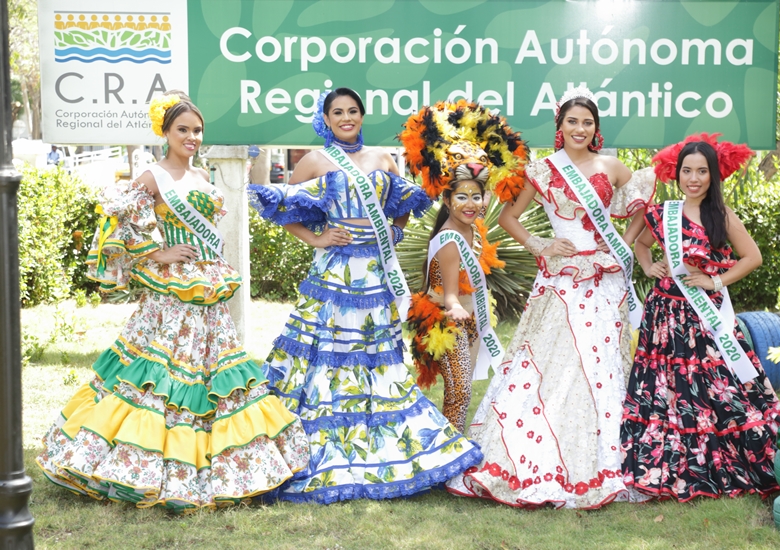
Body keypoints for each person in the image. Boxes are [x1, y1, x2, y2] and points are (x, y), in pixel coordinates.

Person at [35, 91, 310, 512]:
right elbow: (117, 226)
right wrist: (157, 254)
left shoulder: (202, 177)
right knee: (155, 381)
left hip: (206, 291)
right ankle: (139, 467)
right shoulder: (151, 175)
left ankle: (212, 468)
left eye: (197, 130)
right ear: (165, 132)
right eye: (183, 129)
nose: (192, 137)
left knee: (210, 379)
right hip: (170, 296)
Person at [247, 87, 484, 504]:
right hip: (335, 275)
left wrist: (392, 232)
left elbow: (403, 204)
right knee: (327, 356)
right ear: (326, 117)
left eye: (353, 111)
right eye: (337, 112)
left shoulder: (382, 158)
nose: (346, 118)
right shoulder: (314, 161)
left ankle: (380, 443)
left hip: (376, 275)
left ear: (361, 114)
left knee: (376, 356)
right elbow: (283, 208)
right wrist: (317, 238)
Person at [447, 87, 656, 508]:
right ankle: (533, 454)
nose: (580, 128)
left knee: (600, 364)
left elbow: (641, 209)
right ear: (559, 126)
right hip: (561, 278)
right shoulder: (542, 170)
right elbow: (509, 218)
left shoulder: (611, 166)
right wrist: (541, 245)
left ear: (596, 128)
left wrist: (622, 244)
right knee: (548, 359)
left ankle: (602, 459)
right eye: (572, 121)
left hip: (605, 278)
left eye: (588, 122)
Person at [620, 134, 780, 501]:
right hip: (663, 316)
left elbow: (752, 257)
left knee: (716, 385)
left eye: (702, 171)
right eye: (687, 171)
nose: (693, 178)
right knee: (663, 388)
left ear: (713, 176)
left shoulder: (721, 215)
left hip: (705, 319)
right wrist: (649, 266)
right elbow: (641, 244)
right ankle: (666, 464)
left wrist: (715, 280)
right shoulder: (663, 212)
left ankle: (721, 458)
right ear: (676, 174)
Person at [401, 100, 526, 433]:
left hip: (468, 317)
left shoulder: (472, 231)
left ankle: (450, 446)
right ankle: (447, 450)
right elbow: (451, 294)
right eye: (462, 197)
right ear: (446, 200)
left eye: (477, 196)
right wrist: (456, 309)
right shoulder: (449, 239)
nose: (471, 204)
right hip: (446, 319)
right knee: (458, 391)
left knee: (462, 389)